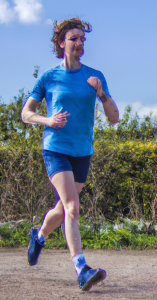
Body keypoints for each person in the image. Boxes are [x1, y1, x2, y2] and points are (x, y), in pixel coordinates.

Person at [21, 18, 119, 291]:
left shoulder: (94, 76)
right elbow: (26, 113)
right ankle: (82, 269)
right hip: (55, 149)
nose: (79, 43)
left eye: (82, 39)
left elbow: (114, 119)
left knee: (63, 209)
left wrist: (101, 94)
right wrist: (48, 120)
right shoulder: (49, 77)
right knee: (73, 208)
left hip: (82, 152)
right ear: (62, 43)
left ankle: (39, 236)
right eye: (74, 39)